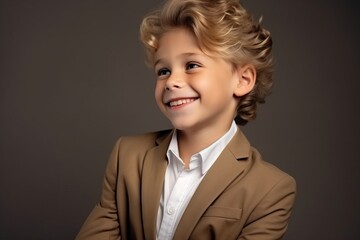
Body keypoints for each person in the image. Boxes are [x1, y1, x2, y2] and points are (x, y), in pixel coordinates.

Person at [75, 0, 296, 239]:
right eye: (163, 71)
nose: (171, 81)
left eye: (192, 65)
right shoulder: (127, 156)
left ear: (242, 80)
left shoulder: (270, 189)